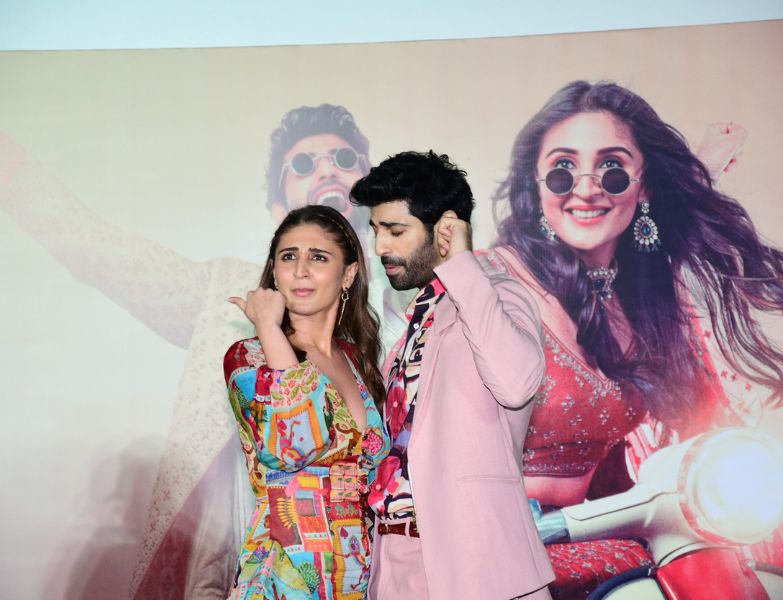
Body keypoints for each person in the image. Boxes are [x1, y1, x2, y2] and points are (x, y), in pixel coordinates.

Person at [0, 103, 405, 599]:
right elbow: (106, 253)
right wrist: (16, 174)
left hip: (362, 582)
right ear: (277, 212)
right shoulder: (239, 328)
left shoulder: (387, 336)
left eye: (342, 159)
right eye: (302, 164)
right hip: (274, 577)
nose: (325, 170)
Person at [490, 80, 783, 598]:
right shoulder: (493, 286)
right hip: (501, 545)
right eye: (563, 170)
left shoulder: (635, 297)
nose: (586, 189)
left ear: (645, 185)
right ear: (536, 184)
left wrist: (696, 173)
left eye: (611, 169)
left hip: (595, 535)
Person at [350, 151, 555, 599]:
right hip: (394, 564)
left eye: (395, 231)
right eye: (376, 230)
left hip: (476, 568)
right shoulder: (413, 326)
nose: (380, 247)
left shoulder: (499, 296)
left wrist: (462, 264)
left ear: (446, 228)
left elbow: (517, 384)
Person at [224, 205, 391, 598]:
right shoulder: (248, 357)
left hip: (355, 578)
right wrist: (268, 326)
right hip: (283, 577)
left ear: (348, 274)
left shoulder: (356, 360)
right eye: (288, 257)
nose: (300, 270)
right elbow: (296, 442)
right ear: (274, 271)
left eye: (318, 257)